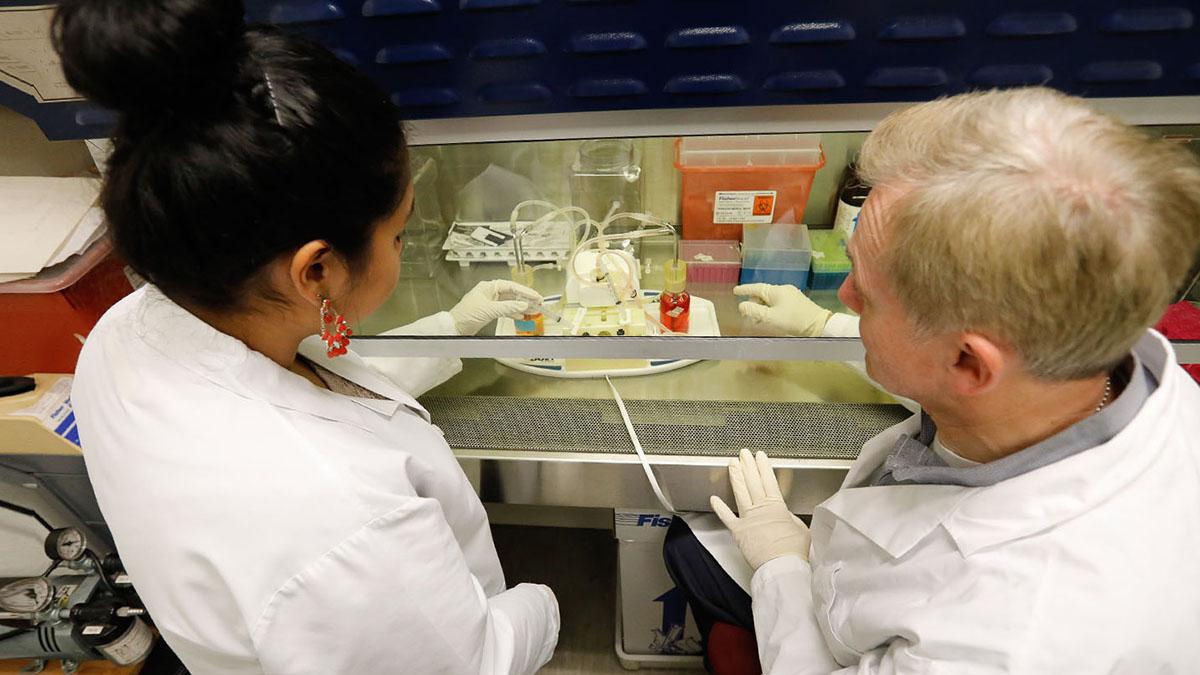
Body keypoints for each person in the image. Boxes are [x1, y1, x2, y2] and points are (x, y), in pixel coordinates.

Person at [57, 1, 558, 673]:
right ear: (316, 268)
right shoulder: (346, 527)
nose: (404, 250)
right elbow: (474, 661)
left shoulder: (128, 333)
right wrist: (548, 603)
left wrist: (451, 325)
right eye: (400, 232)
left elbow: (320, 403)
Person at [666, 87, 1200, 673]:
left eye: (863, 294)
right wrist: (827, 325)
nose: (843, 295)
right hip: (854, 583)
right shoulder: (1080, 357)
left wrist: (782, 570)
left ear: (970, 364)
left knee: (684, 549)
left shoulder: (1005, 643)